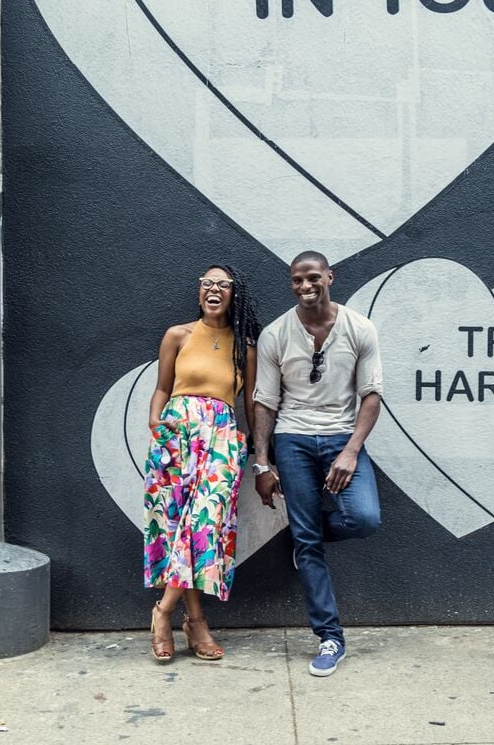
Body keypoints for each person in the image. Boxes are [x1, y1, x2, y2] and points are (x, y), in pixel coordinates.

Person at [252, 251, 383, 677]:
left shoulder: (359, 328)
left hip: (343, 438)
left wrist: (350, 451)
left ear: (329, 277)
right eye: (296, 280)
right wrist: (261, 464)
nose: (305, 286)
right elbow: (265, 403)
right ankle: (331, 637)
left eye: (312, 278)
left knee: (364, 519)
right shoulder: (276, 334)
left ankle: (306, 541)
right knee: (307, 542)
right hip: (293, 440)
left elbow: (371, 396)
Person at [144, 264, 260, 663]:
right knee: (180, 528)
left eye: (222, 285)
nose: (214, 289)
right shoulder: (178, 335)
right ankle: (196, 621)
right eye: (206, 284)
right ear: (199, 294)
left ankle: (162, 612)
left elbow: (249, 406)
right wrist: (155, 423)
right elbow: (162, 387)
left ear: (234, 294)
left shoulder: (244, 347)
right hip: (175, 439)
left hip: (223, 440)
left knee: (203, 525)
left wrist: (260, 456)